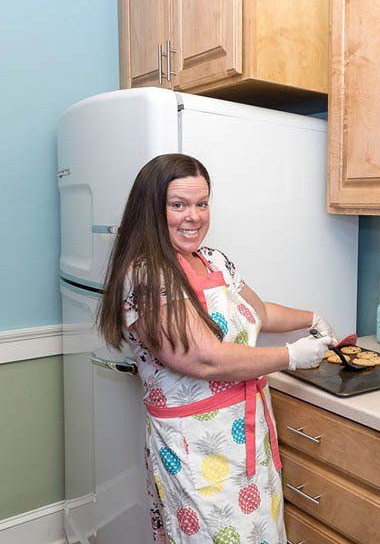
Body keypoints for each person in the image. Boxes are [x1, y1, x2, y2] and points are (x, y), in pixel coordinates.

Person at [98, 153, 335, 543]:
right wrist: (290, 356)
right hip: (195, 446)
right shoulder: (147, 274)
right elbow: (203, 357)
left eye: (201, 203)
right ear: (152, 210)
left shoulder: (215, 262)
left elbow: (261, 313)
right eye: (178, 205)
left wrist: (311, 317)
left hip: (246, 434)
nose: (193, 216)